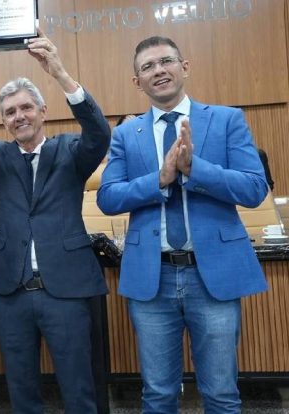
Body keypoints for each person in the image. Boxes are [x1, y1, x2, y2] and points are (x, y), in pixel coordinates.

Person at [97, 36, 268, 413]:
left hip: (213, 277)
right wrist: (159, 178)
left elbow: (255, 188)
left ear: (184, 66)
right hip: (152, 278)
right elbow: (108, 198)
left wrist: (195, 170)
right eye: (147, 67)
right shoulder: (127, 133)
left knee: (221, 394)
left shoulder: (226, 120)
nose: (158, 70)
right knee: (157, 395)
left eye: (165, 61)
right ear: (136, 81)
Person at [0, 31, 111, 413]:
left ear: (43, 112)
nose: (18, 116)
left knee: (78, 387)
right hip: (13, 292)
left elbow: (99, 134)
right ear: (4, 122)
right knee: (21, 390)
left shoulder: (70, 151)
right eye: (9, 112)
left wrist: (59, 72)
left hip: (66, 290)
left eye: (25, 108)